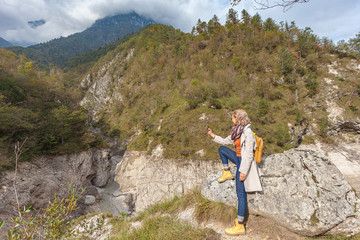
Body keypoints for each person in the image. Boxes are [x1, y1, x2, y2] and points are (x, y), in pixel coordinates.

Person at [207, 109, 262, 236]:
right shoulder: (237, 131)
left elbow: (248, 154)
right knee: (222, 149)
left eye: (233, 117)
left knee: (240, 193)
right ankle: (226, 172)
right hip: (238, 158)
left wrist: (242, 171)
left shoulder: (247, 132)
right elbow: (226, 141)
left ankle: (240, 225)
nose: (231, 119)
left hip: (243, 162)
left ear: (238, 118)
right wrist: (212, 134)